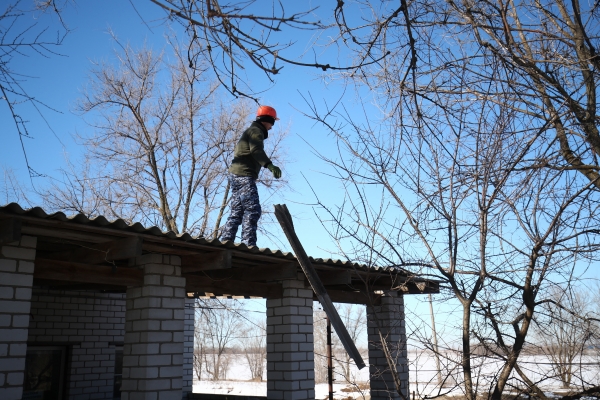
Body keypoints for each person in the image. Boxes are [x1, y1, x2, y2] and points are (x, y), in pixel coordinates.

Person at [220, 105, 282, 247]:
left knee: (237, 211)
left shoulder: (251, 131)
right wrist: (269, 165)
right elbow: (256, 150)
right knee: (252, 209)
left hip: (235, 175)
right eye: (272, 122)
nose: (272, 127)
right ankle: (248, 245)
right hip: (244, 175)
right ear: (267, 119)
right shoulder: (256, 131)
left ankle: (225, 241)